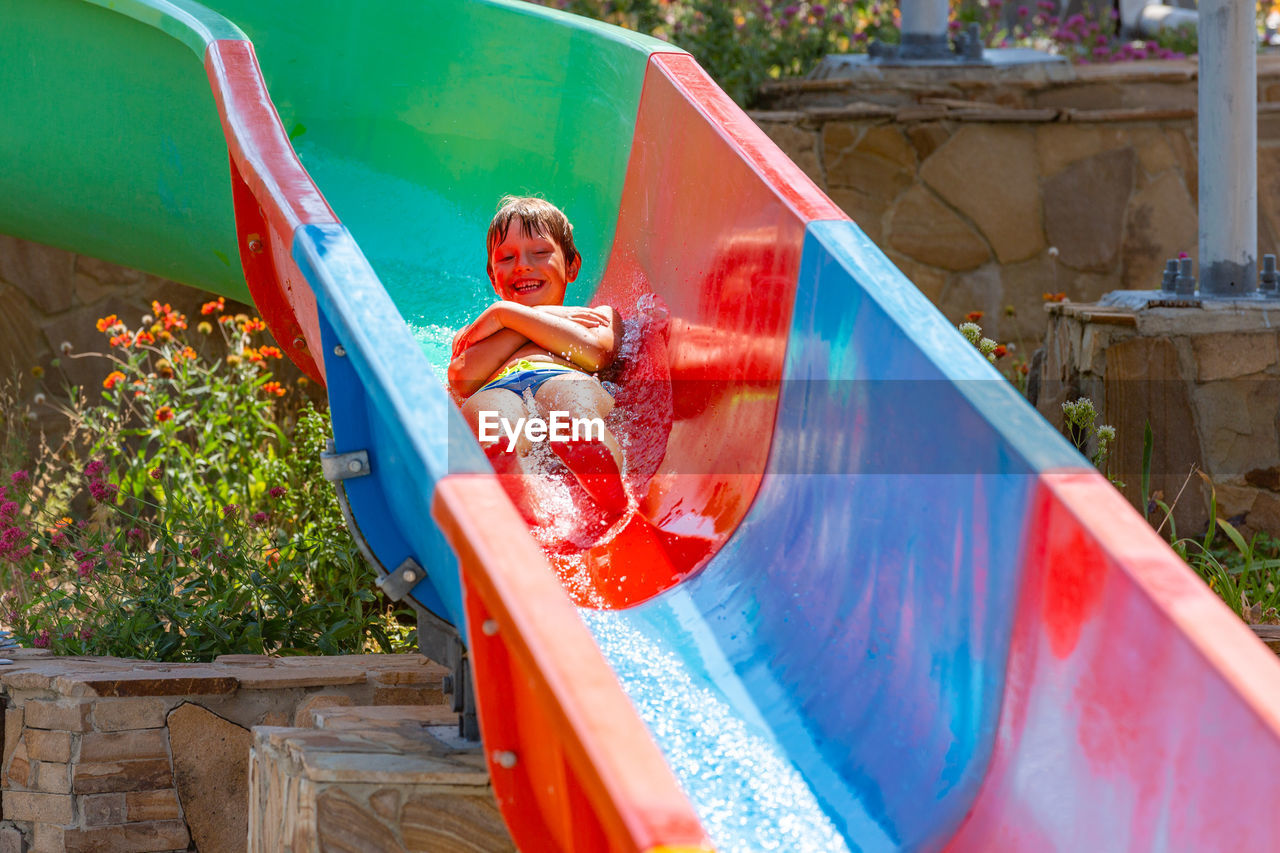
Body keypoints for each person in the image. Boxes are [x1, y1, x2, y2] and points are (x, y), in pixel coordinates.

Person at [448, 196, 627, 515]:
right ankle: (510, 473)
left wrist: (506, 315)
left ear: (571, 265)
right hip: (497, 388)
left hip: (560, 377)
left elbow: (598, 354)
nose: (522, 265)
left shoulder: (598, 314)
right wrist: (513, 317)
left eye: (541, 252)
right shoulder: (479, 328)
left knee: (572, 406)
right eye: (506, 258)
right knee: (493, 419)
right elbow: (463, 378)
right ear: (493, 277)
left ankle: (602, 475)